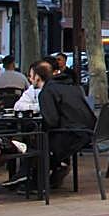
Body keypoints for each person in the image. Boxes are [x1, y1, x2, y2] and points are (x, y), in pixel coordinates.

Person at [39, 57, 97, 189]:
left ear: (37, 77)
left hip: (71, 136)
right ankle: (58, 167)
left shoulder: (47, 91)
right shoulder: (73, 87)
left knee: (37, 141)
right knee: (41, 139)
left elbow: (52, 121)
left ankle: (34, 179)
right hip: (86, 132)